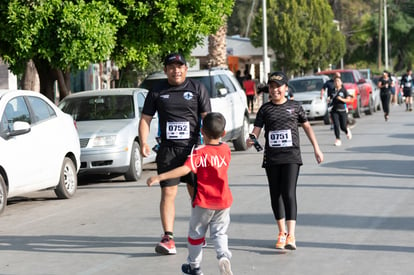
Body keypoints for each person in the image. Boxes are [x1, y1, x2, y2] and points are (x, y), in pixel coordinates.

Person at [139, 52, 211, 255]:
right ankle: (168, 237)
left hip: (193, 150)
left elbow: (207, 117)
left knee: (195, 194)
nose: (176, 70)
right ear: (165, 70)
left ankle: (198, 233)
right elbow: (145, 118)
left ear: (186, 69)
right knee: (168, 193)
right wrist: (144, 142)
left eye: (180, 66)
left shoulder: (197, 88)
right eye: (171, 67)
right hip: (168, 151)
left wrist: (209, 145)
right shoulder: (157, 91)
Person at [147, 112, 233, 275]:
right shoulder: (226, 150)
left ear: (202, 131)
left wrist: (160, 176)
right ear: (223, 133)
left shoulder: (199, 152)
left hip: (204, 202)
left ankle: (194, 266)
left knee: (196, 235)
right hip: (223, 201)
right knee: (220, 232)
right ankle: (223, 256)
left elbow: (185, 169)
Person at [246, 71, 324, 250]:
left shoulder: (295, 107)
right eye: (272, 87)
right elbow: (256, 130)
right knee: (275, 194)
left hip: (291, 157)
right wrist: (251, 138)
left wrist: (316, 148)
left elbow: (307, 127)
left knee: (288, 192)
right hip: (272, 157)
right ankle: (281, 233)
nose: (275, 90)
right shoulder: (265, 109)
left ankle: (291, 235)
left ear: (286, 88)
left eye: (278, 87)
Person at [328, 76, 353, 146]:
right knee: (336, 125)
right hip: (334, 110)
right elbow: (329, 97)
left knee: (343, 126)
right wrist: (328, 100)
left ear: (341, 82)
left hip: (342, 110)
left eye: (338, 81)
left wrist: (341, 99)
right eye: (335, 81)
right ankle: (338, 139)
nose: (336, 82)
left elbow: (348, 99)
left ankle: (346, 131)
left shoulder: (344, 90)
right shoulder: (332, 90)